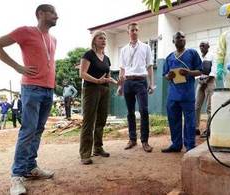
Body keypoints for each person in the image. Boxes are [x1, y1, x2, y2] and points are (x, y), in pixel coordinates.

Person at [0, 4, 58, 195]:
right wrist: (17, 67)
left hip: (48, 90)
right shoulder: (25, 31)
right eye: (53, 12)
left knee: (38, 130)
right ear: (41, 14)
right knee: (28, 130)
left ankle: (30, 167)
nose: (57, 16)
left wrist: (53, 82)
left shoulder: (53, 39)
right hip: (31, 87)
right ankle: (16, 176)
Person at [80, 30, 117, 165]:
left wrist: (116, 82)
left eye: (105, 39)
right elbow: (82, 74)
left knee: (101, 119)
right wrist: (96, 81)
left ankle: (98, 147)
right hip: (91, 89)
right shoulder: (88, 55)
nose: (103, 40)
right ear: (95, 40)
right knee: (89, 121)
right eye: (100, 38)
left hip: (104, 90)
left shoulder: (106, 58)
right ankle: (85, 153)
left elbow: (107, 77)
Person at [161, 32, 202, 153]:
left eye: (183, 37)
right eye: (178, 37)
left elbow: (200, 71)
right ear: (173, 41)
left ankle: (190, 145)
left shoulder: (192, 53)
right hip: (173, 95)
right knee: (173, 120)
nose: (181, 39)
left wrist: (189, 73)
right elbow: (165, 75)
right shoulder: (169, 57)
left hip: (187, 93)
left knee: (190, 121)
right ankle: (176, 144)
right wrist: (169, 76)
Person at [118, 22, 155, 153]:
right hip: (128, 82)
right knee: (130, 112)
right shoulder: (123, 49)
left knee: (144, 110)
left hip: (141, 82)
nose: (134, 32)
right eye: (132, 30)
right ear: (128, 32)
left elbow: (150, 66)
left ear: (138, 32)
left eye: (136, 30)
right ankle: (132, 139)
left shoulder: (146, 47)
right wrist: (120, 86)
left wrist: (151, 84)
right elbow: (122, 69)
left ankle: (145, 141)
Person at [195, 42, 216, 138]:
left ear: (208, 46)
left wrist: (207, 79)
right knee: (196, 105)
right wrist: (199, 78)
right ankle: (195, 128)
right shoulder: (199, 57)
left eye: (203, 45)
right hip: (200, 82)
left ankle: (209, 130)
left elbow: (214, 69)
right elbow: (197, 70)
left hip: (210, 82)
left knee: (209, 107)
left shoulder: (212, 56)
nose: (201, 47)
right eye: (200, 46)